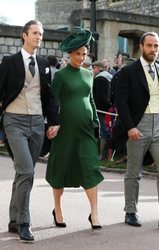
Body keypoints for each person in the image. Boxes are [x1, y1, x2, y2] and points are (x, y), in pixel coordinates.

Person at [0, 20, 60, 242]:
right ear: (23, 35)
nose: (39, 36)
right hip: (14, 121)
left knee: (23, 172)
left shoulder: (44, 64)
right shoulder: (9, 62)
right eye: (35, 33)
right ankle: (25, 222)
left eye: (41, 33)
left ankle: (14, 219)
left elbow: (49, 97)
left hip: (37, 123)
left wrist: (54, 122)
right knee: (27, 171)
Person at [115, 31, 159, 230]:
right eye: (150, 46)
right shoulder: (128, 71)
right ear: (141, 47)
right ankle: (131, 211)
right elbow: (121, 102)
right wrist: (130, 127)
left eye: (156, 46)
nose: (153, 50)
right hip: (138, 126)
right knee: (134, 172)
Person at [45, 29, 104, 230]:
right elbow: (52, 102)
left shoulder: (89, 74)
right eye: (78, 54)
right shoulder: (60, 75)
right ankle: (58, 209)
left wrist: (96, 122)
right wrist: (52, 124)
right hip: (65, 131)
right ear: (70, 54)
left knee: (91, 167)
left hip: (86, 129)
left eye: (84, 54)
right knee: (60, 168)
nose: (81, 57)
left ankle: (94, 213)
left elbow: (92, 100)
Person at [92, 60, 112, 160]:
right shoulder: (108, 77)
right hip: (106, 108)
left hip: (99, 109)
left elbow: (99, 96)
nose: (93, 70)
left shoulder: (99, 79)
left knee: (100, 130)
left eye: (94, 68)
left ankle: (101, 154)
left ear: (99, 68)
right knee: (101, 130)